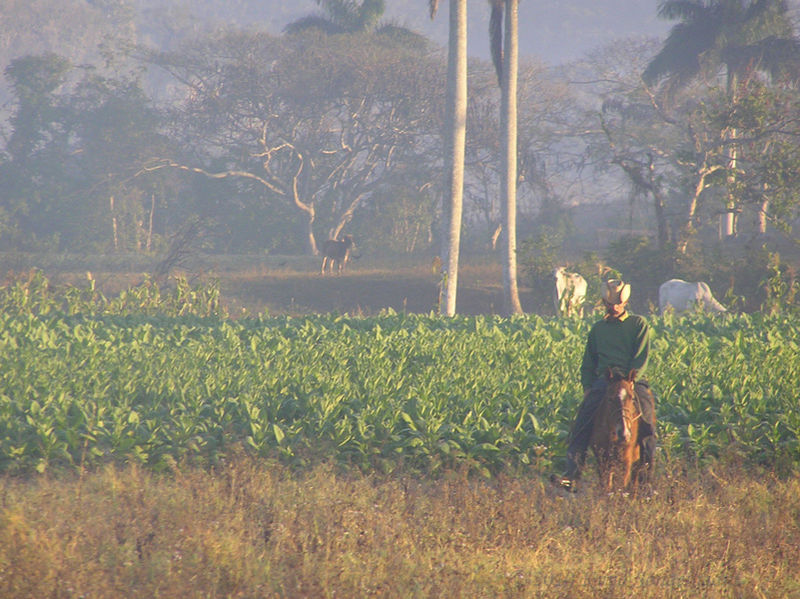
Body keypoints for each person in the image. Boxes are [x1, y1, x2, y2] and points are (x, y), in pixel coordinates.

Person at [554, 279, 657, 491]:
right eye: (611, 303)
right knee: (582, 422)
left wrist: (631, 376)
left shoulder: (638, 325)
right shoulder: (598, 329)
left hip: (631, 380)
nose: (614, 306)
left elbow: (641, 358)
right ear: (605, 303)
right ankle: (572, 473)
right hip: (605, 381)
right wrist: (588, 386)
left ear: (625, 302)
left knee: (646, 420)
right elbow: (588, 362)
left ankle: (647, 474)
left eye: (618, 302)